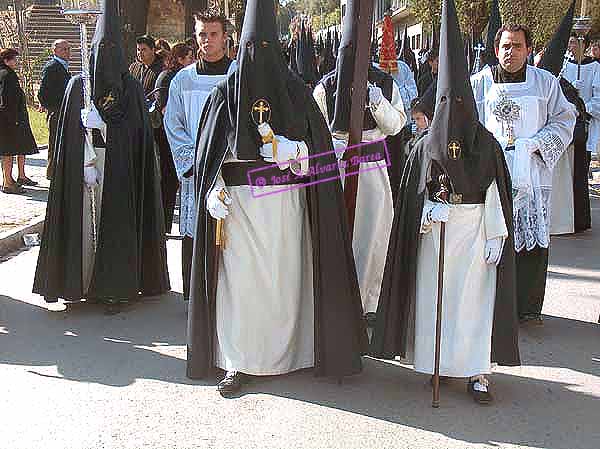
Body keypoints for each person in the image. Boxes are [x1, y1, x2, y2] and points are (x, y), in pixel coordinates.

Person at [187, 0, 367, 395]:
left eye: (265, 50)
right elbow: (209, 157)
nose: (259, 61)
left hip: (286, 206)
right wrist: (212, 193)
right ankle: (239, 361)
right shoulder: (223, 95)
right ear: (241, 49)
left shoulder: (297, 95)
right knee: (242, 289)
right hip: (240, 208)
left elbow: (320, 158)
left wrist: (296, 152)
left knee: (285, 284)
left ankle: (293, 354)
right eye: (252, 51)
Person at [372, 0, 520, 405]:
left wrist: (496, 232)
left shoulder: (486, 145)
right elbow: (410, 200)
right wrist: (427, 212)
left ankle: (477, 371)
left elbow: (494, 191)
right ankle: (435, 361)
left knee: (473, 303)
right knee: (435, 301)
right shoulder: (423, 147)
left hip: (474, 234)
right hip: (435, 236)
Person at [33, 0, 170, 314]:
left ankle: (114, 288)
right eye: (100, 48)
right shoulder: (76, 87)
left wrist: (106, 127)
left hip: (118, 167)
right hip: (83, 168)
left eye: (111, 48)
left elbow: (137, 136)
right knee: (83, 225)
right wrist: (83, 147)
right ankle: (78, 282)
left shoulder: (131, 90)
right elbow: (65, 136)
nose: (104, 56)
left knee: (115, 225)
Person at [471, 24, 576, 323]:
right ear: (495, 50)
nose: (511, 52)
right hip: (492, 172)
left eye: (517, 46)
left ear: (529, 50)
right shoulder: (481, 83)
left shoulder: (545, 83)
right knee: (493, 234)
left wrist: (535, 145)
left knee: (530, 237)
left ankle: (527, 307)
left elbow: (564, 120)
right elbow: (467, 122)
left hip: (532, 171)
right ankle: (491, 303)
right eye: (505, 46)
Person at [313, 0, 406, 320]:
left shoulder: (385, 83)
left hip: (372, 169)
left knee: (373, 234)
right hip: (337, 168)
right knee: (338, 233)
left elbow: (396, 127)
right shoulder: (326, 86)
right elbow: (318, 129)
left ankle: (368, 303)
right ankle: (334, 301)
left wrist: (378, 104)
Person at [165, 13, 233, 303]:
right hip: (195, 169)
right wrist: (191, 161)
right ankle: (196, 296)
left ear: (225, 37)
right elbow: (173, 123)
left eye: (213, 34)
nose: (207, 40)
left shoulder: (237, 75)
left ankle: (230, 297)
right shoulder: (183, 80)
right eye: (202, 34)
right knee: (195, 231)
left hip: (227, 169)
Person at [153, 43, 194, 232]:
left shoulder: (182, 77)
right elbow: (166, 109)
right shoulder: (168, 78)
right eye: (189, 58)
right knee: (169, 180)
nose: (192, 61)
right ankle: (164, 224)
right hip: (167, 137)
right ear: (180, 59)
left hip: (178, 137)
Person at [0, 48, 38, 194]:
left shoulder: (6, 74)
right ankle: (8, 183)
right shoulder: (7, 75)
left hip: (9, 119)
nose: (17, 62)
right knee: (8, 153)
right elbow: (7, 100)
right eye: (15, 59)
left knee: (10, 151)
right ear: (6, 61)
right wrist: (13, 120)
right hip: (9, 120)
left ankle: (11, 180)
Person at [38, 39, 71, 180]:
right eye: (64, 49)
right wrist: (53, 108)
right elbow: (42, 93)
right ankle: (52, 173)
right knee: (54, 143)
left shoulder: (63, 66)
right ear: (55, 51)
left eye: (69, 48)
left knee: (61, 142)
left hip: (64, 111)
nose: (68, 52)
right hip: (56, 111)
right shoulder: (52, 67)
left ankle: (58, 171)